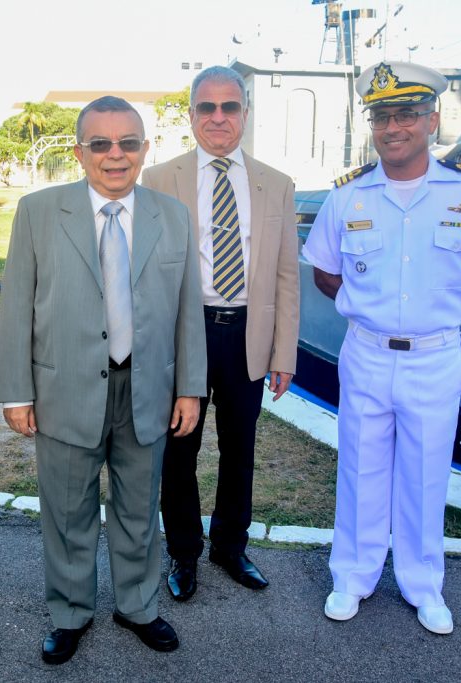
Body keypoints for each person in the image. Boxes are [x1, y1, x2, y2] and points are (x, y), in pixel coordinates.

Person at [303, 61, 461, 635]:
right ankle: (351, 576)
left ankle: (424, 586)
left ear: (432, 120)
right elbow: (325, 271)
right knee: (359, 468)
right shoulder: (348, 197)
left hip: (435, 356)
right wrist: (366, 308)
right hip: (367, 353)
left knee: (426, 473)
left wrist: (438, 319)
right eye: (382, 117)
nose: (392, 127)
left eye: (405, 115)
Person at [0, 96, 206, 664]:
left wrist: (190, 388)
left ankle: (138, 606)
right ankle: (69, 612)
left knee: (140, 508)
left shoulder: (172, 215)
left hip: (147, 391)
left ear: (143, 148)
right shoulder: (39, 212)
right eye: (101, 144)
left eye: (128, 143)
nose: (116, 156)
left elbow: (189, 309)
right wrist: (16, 391)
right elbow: (16, 307)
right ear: (79, 151)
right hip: (64, 389)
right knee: (67, 511)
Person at [141, 65, 300, 601]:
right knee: (178, 449)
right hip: (184, 334)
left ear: (245, 114)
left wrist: (285, 353)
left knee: (240, 448)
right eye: (206, 107)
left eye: (229, 107)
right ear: (190, 115)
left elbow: (285, 276)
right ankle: (183, 552)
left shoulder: (276, 184)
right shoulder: (160, 178)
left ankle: (231, 547)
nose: (218, 117)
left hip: (246, 335)